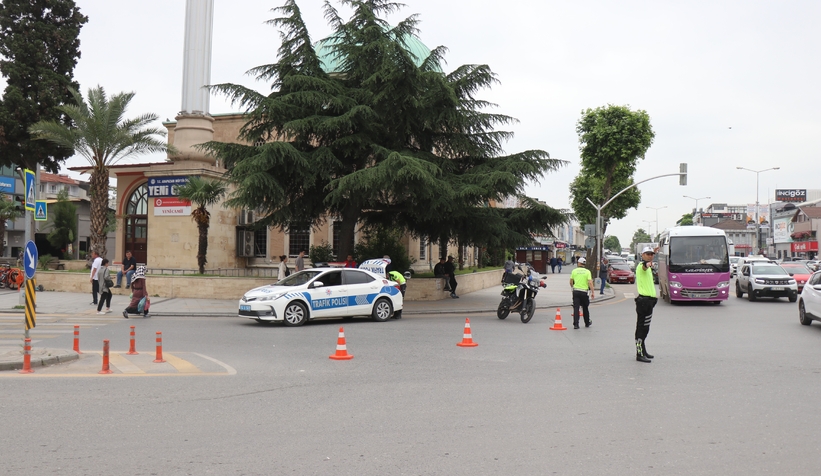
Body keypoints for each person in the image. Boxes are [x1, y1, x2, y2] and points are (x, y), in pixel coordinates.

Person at [635, 246, 659, 363]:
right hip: (644, 302)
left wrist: (654, 251)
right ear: (642, 255)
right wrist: (647, 264)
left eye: (651, 254)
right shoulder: (642, 266)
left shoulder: (648, 267)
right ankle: (639, 353)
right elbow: (644, 266)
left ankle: (643, 351)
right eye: (647, 254)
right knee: (642, 328)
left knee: (646, 327)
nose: (650, 256)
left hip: (649, 301)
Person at [569, 257, 594, 329]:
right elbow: (590, 282)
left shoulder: (574, 271)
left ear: (579, 263)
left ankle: (576, 324)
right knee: (585, 307)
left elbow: (571, 282)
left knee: (576, 308)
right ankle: (587, 322)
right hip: (584, 292)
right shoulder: (587, 272)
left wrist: (572, 287)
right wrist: (592, 292)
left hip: (576, 291)